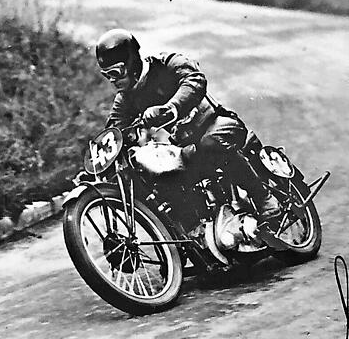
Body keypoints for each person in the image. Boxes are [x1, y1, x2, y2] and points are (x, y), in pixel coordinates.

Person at [94, 28, 280, 248]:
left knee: (210, 144)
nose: (112, 81)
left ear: (131, 62)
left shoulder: (167, 63)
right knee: (164, 176)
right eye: (107, 76)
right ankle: (194, 237)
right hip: (186, 146)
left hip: (216, 124)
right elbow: (114, 130)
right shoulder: (125, 98)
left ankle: (263, 197)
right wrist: (98, 161)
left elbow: (194, 80)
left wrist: (171, 108)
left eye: (116, 72)